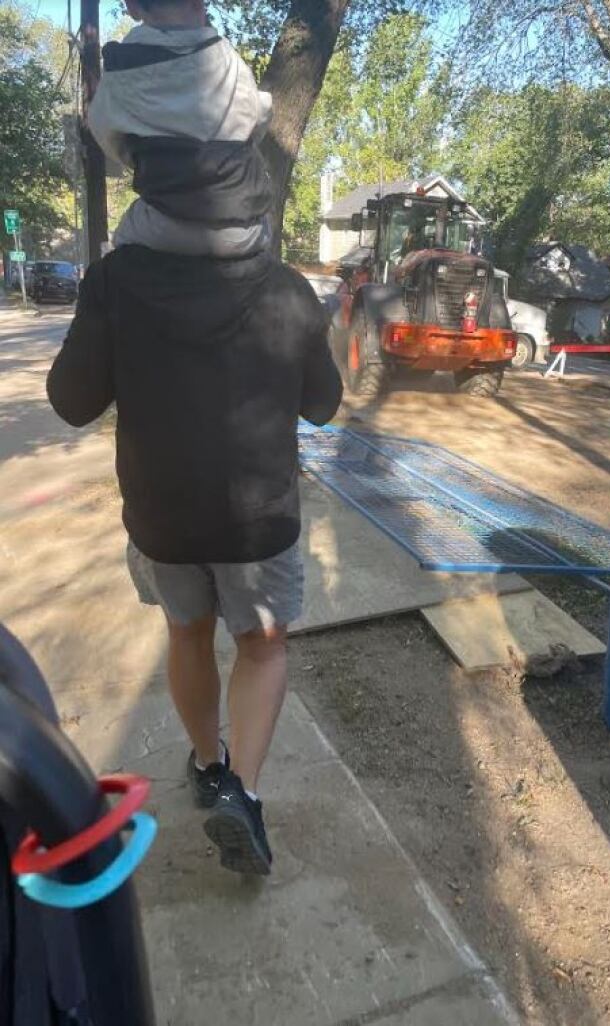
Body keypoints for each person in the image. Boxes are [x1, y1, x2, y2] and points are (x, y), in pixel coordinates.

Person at [46, 244, 343, 876]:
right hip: (258, 520)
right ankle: (244, 791)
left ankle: (209, 766)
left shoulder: (115, 277)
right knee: (262, 648)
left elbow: (71, 401)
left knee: (187, 632)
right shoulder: (285, 286)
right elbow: (322, 404)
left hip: (164, 515)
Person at [88, 0, 273, 257]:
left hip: (159, 228)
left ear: (132, 7)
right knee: (268, 239)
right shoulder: (230, 60)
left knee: (110, 265)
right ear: (199, 5)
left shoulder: (121, 71)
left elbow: (105, 134)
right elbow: (259, 114)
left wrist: (143, 154)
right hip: (244, 233)